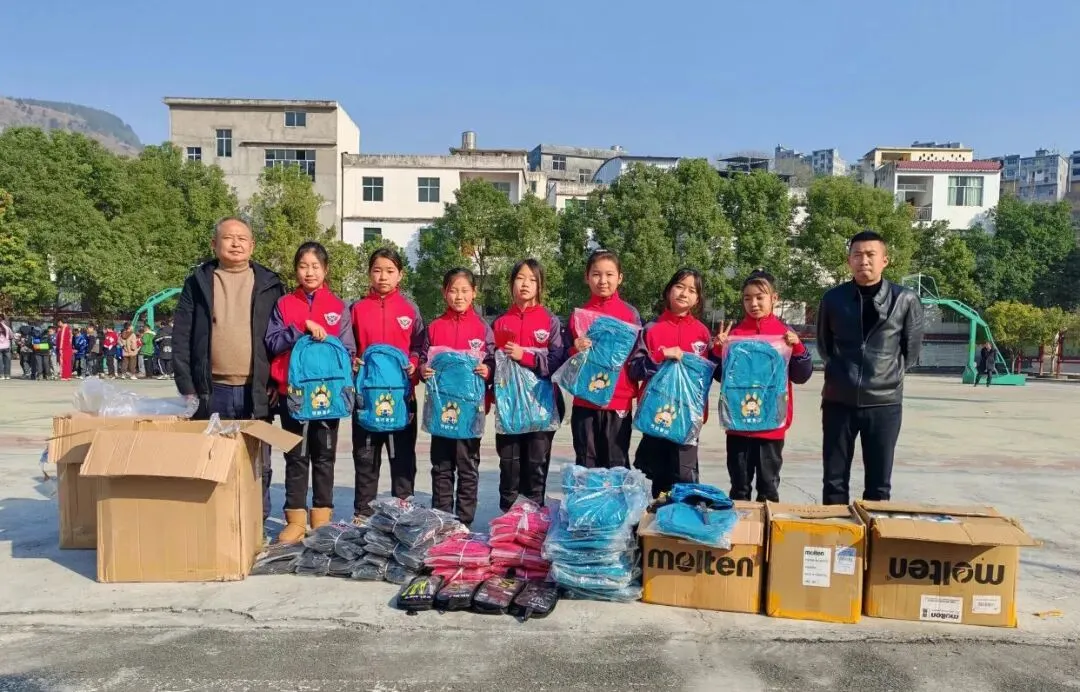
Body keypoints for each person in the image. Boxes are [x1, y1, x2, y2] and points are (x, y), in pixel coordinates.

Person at [173, 216, 284, 520]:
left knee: (258, 462)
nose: (236, 244)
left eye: (242, 238)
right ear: (214, 243)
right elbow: (181, 335)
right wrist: (187, 387)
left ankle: (256, 522)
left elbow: (280, 337)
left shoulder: (270, 284)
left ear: (252, 245)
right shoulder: (198, 282)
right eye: (228, 238)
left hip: (256, 390)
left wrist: (276, 381)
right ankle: (216, 524)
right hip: (212, 390)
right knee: (212, 459)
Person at [816, 230, 925, 505]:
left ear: (884, 260)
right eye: (857, 255)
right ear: (849, 261)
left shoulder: (905, 299)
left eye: (870, 254)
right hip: (838, 401)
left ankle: (875, 531)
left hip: (884, 403)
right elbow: (825, 347)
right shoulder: (833, 299)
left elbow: (911, 351)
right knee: (834, 481)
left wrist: (885, 376)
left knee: (879, 484)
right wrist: (842, 375)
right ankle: (834, 528)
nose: (863, 260)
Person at [265, 242, 355, 544]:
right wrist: (300, 328)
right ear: (296, 270)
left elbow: (348, 349)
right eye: (303, 266)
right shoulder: (284, 304)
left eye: (315, 266)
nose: (309, 272)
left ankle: (321, 518)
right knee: (296, 456)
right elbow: (271, 342)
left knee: (325, 456)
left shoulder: (338, 307)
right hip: (293, 394)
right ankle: (295, 518)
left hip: (328, 396)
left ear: (325, 270)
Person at [714, 270, 814, 502]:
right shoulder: (735, 335)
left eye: (760, 297)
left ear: (774, 298)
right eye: (747, 298)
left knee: (768, 488)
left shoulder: (784, 336)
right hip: (738, 425)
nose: (754, 303)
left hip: (771, 426)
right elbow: (721, 377)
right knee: (739, 487)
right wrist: (719, 350)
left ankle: (767, 525)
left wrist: (798, 348)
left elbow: (801, 376)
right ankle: (742, 524)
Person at [628, 269, 721, 498]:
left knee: (685, 478)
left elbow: (713, 374)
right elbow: (635, 369)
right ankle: (660, 520)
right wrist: (661, 355)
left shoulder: (702, 333)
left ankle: (683, 518)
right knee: (659, 482)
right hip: (656, 417)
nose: (684, 293)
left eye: (692, 290)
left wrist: (719, 351)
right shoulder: (651, 329)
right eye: (679, 286)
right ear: (668, 290)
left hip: (688, 419)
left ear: (697, 299)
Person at [349, 247, 424, 524]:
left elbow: (419, 346)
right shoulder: (356, 309)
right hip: (367, 397)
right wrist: (352, 361)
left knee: (402, 457)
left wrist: (414, 363)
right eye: (377, 270)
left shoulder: (409, 310)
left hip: (401, 397)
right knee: (366, 457)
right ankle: (363, 513)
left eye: (390, 271)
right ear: (369, 273)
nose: (383, 276)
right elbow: (348, 345)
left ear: (400, 275)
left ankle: (402, 513)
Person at [419, 268, 494, 528]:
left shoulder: (482, 329)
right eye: (453, 290)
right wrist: (423, 369)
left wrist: (488, 369)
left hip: (470, 413)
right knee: (441, 466)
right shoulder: (435, 327)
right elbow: (423, 358)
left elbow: (493, 360)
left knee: (467, 467)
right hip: (441, 411)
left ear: (474, 293)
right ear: (444, 293)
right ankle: (441, 520)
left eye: (464, 291)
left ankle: (463, 523)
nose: (459, 296)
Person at [492, 259, 567, 511]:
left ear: (540, 285)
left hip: (542, 406)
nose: (525, 284)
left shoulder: (550, 321)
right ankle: (508, 520)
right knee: (509, 465)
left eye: (532, 279)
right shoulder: (500, 323)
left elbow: (558, 362)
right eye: (520, 278)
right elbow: (490, 363)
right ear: (511, 283)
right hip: (510, 408)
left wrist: (525, 356)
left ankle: (533, 520)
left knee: (536, 465)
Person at [567, 249, 642, 469]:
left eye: (609, 274)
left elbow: (637, 357)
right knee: (586, 461)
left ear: (620, 277)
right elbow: (566, 359)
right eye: (596, 274)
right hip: (585, 400)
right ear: (587, 277)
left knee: (616, 462)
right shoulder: (578, 316)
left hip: (618, 400)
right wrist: (575, 349)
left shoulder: (630, 315)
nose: (603, 281)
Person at [0, 315, 12, 380]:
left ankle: (1, 375)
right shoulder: (7, 328)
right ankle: (7, 375)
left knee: (0, 362)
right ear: (3, 320)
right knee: (7, 362)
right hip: (6, 346)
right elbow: (11, 336)